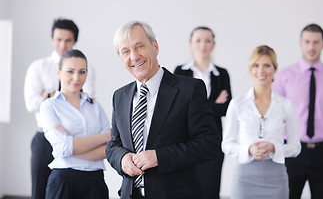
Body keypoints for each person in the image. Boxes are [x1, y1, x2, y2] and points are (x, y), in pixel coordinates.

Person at [106, 21, 221, 199]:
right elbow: (113, 145)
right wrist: (122, 160)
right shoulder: (119, 96)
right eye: (126, 51)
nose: (134, 56)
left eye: (140, 46)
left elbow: (208, 144)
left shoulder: (189, 90)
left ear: (155, 46)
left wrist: (159, 157)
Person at [272, 24, 323, 199]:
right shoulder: (284, 76)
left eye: (316, 42)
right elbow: (274, 116)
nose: (311, 47)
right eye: (307, 42)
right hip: (293, 152)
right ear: (300, 43)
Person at [24, 18, 95, 199]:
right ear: (51, 39)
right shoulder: (38, 67)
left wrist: (47, 94)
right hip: (44, 139)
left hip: (75, 139)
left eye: (68, 40)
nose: (62, 45)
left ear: (75, 41)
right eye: (58, 39)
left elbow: (89, 100)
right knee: (39, 191)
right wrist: (65, 95)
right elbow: (31, 103)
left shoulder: (87, 69)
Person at [222, 45, 301, 199]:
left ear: (275, 69)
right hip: (244, 179)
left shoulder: (285, 105)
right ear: (250, 70)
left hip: (276, 179)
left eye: (267, 65)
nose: (261, 71)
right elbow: (226, 144)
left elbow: (295, 147)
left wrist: (274, 148)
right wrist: (249, 150)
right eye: (256, 66)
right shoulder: (238, 104)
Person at [39, 49, 110, 199]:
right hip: (63, 181)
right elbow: (62, 147)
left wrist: (72, 146)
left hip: (95, 183)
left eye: (82, 72)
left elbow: (109, 149)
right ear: (58, 72)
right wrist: (104, 136)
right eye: (70, 71)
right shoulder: (49, 106)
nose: (76, 78)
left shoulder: (95, 107)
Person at [174, 26, 232, 199]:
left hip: (213, 140)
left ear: (213, 44)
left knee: (210, 190)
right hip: (185, 141)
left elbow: (227, 107)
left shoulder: (221, 74)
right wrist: (213, 105)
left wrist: (195, 106)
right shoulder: (180, 71)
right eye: (198, 40)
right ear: (191, 44)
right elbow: (178, 108)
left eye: (208, 40)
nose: (203, 45)